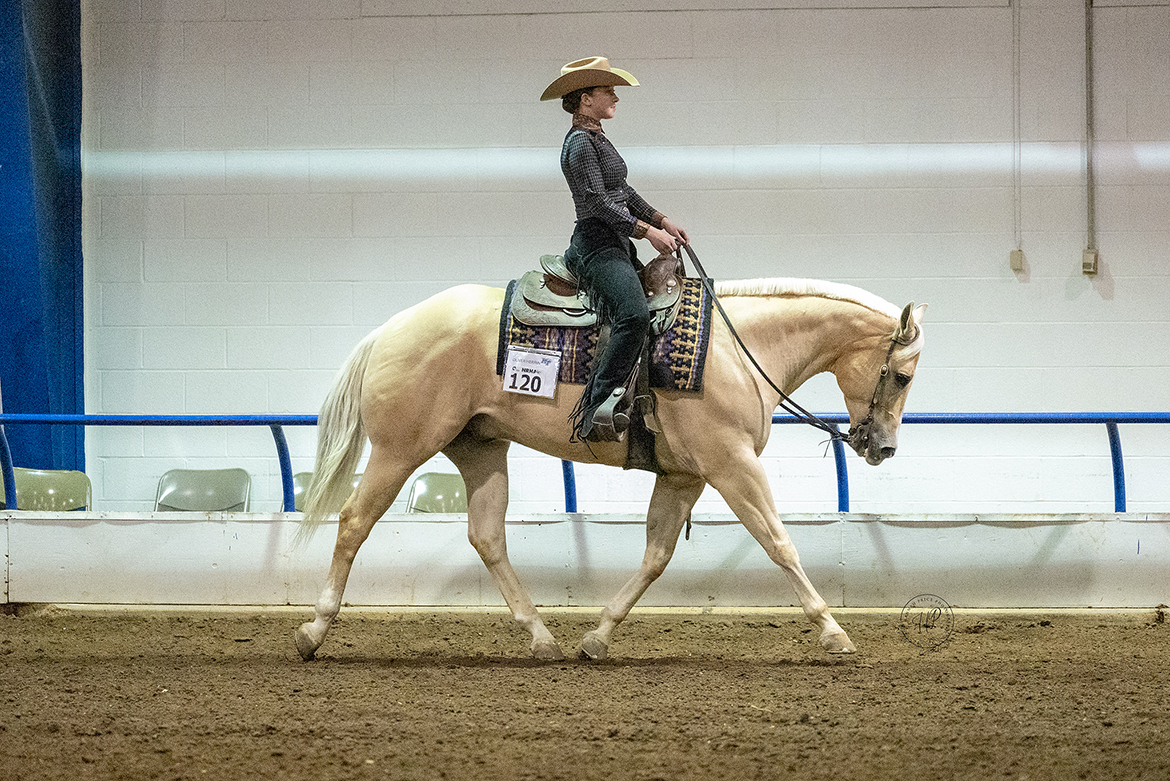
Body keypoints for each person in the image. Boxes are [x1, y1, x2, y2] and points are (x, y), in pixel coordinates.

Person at [540, 57, 688, 442]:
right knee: (634, 314)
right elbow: (597, 205)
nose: (615, 96)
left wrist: (660, 219)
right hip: (597, 246)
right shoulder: (579, 144)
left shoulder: (597, 139)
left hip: (614, 242)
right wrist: (646, 232)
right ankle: (596, 409)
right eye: (608, 91)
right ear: (586, 99)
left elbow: (622, 193)